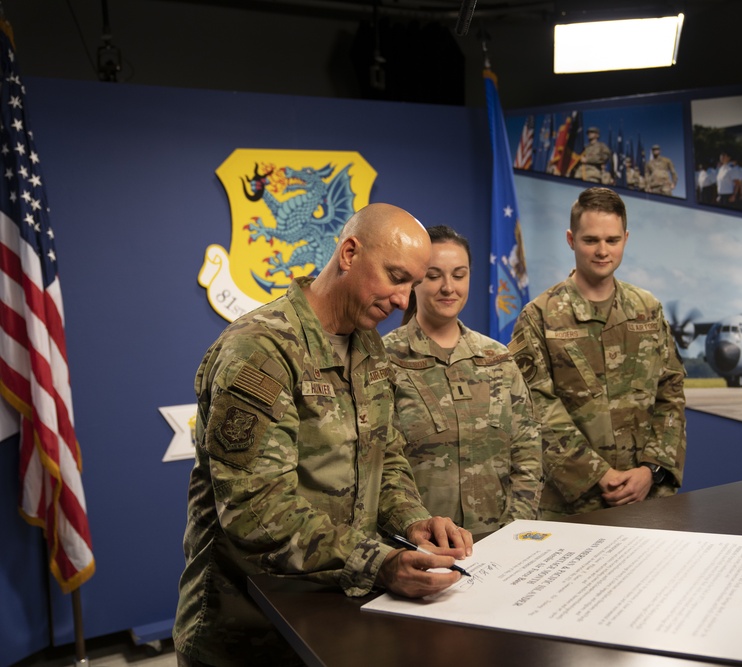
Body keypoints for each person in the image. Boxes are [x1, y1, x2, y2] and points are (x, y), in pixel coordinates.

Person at [174, 203, 474, 667]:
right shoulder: (261, 352)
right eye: (396, 277)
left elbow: (385, 457)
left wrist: (414, 523)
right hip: (248, 630)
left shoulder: (367, 343)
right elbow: (256, 512)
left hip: (332, 614)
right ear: (350, 253)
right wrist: (381, 564)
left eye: (412, 285)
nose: (402, 301)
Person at [510, 187, 686, 518]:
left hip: (647, 497)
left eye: (612, 240)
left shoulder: (647, 310)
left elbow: (671, 394)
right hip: (570, 504)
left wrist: (651, 470)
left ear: (626, 238)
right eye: (591, 240)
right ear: (570, 239)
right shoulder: (540, 316)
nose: (603, 251)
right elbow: (534, 408)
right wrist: (598, 474)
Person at [382, 225, 542, 534]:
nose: (448, 287)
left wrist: (515, 529)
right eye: (433, 275)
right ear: (415, 279)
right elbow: (382, 465)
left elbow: (527, 453)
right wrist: (418, 530)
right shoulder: (384, 360)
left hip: (502, 541)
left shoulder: (499, 359)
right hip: (421, 546)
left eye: (459, 275)